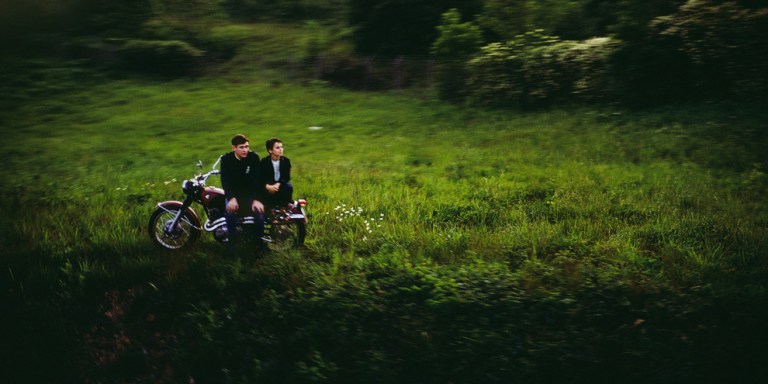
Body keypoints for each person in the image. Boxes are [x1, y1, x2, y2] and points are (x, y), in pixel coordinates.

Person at [220, 134, 265, 246]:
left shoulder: (253, 157)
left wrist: (256, 199)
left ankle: (259, 244)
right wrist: (231, 198)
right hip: (234, 195)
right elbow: (225, 181)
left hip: (249, 194)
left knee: (259, 214)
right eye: (241, 147)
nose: (245, 150)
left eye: (247, 146)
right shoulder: (226, 159)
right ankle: (233, 243)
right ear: (234, 148)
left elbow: (258, 180)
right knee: (230, 213)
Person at [259, 137, 293, 209]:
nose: (281, 149)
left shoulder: (286, 161)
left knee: (288, 186)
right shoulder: (264, 162)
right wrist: (268, 186)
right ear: (270, 150)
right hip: (268, 185)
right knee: (263, 191)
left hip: (279, 184)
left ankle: (284, 206)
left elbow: (286, 177)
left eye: (281, 147)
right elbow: (260, 178)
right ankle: (269, 208)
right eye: (277, 148)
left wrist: (278, 184)